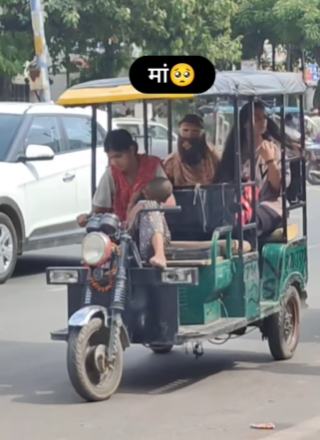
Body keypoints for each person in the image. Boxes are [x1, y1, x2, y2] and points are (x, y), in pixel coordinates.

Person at [77, 129, 175, 268]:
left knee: (150, 208)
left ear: (132, 150)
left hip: (151, 237)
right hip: (120, 236)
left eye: (119, 156)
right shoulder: (111, 173)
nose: (115, 162)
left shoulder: (152, 167)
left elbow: (170, 201)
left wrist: (141, 207)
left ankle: (160, 255)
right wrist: (87, 217)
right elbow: (99, 209)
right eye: (111, 158)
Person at [213, 101, 294, 239]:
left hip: (270, 204)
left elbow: (278, 186)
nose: (262, 121)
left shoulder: (274, 149)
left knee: (249, 223)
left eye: (264, 117)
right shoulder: (234, 152)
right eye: (256, 118)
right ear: (245, 123)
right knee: (218, 223)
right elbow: (223, 182)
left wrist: (270, 161)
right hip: (239, 206)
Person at [163, 114, 220, 185]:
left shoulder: (214, 159)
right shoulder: (171, 163)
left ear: (202, 135)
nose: (189, 135)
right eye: (185, 130)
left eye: (195, 131)